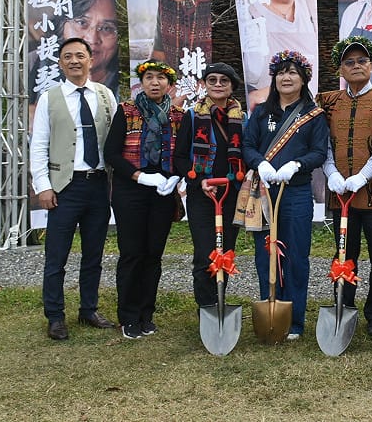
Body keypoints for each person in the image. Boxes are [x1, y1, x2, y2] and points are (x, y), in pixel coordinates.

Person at [29, 37, 118, 340]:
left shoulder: (105, 95)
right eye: (67, 57)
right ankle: (55, 316)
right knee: (56, 256)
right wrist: (43, 186)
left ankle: (88, 309)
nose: (74, 61)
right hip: (64, 188)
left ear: (91, 60)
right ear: (60, 63)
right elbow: (38, 145)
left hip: (98, 185)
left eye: (80, 55)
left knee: (94, 254)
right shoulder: (49, 98)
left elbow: (116, 139)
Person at [317, 36, 372, 337]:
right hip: (340, 190)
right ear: (341, 69)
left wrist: (363, 177)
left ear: (371, 65)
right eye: (349, 62)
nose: (356, 66)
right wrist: (331, 172)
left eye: (362, 61)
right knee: (344, 251)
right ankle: (343, 305)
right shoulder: (327, 102)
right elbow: (324, 143)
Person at [243, 50, 329, 340]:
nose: (286, 77)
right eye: (281, 72)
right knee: (264, 254)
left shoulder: (314, 116)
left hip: (296, 193)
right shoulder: (260, 112)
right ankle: (270, 310)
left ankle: (294, 321)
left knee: (295, 257)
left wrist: (296, 165)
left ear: (304, 79)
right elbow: (248, 146)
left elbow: (319, 152)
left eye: (292, 72)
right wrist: (260, 163)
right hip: (264, 192)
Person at [104, 61, 184, 339]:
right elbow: (111, 154)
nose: (155, 82)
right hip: (131, 189)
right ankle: (128, 315)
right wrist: (138, 176)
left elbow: (182, 153)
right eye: (149, 77)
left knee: (153, 253)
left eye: (161, 78)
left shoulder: (178, 115)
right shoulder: (126, 111)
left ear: (169, 84)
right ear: (142, 82)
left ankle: (146, 313)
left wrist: (174, 177)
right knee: (132, 252)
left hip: (163, 190)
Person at [174, 63, 246, 310]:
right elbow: (180, 156)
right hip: (202, 195)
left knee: (225, 252)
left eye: (224, 81)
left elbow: (247, 152)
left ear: (232, 86)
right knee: (206, 254)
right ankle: (206, 308)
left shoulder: (242, 118)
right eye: (212, 80)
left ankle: (220, 302)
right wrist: (198, 181)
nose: (217, 84)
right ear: (204, 85)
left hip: (232, 193)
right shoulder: (193, 116)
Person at [29, 0, 119, 122]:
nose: (92, 39)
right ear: (62, 23)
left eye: (107, 28)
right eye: (82, 22)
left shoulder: (121, 85)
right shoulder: (31, 64)